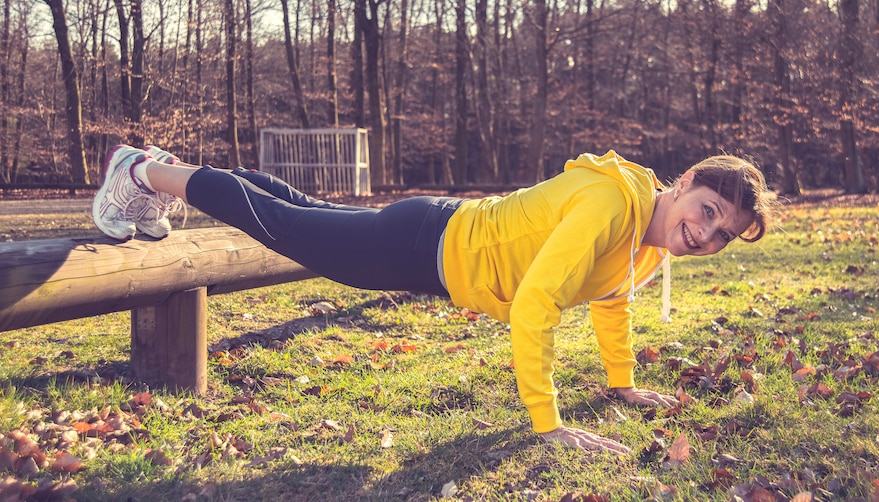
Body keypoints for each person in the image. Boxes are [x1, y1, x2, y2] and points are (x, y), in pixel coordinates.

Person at [92, 145, 774, 454]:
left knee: (307, 214)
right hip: (425, 243)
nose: (705, 234)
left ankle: (165, 167)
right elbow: (538, 301)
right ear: (683, 183)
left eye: (723, 233)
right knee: (293, 230)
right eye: (707, 210)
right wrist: (548, 421)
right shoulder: (609, 203)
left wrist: (623, 384)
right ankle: (141, 172)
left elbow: (611, 302)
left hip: (436, 240)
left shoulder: (648, 241)